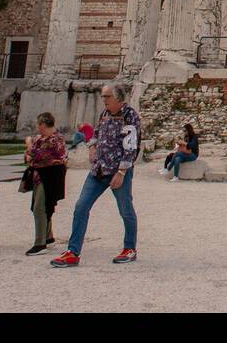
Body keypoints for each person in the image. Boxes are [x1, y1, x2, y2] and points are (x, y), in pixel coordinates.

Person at [51, 83, 142, 268]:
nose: (103, 100)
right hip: (98, 170)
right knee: (81, 207)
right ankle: (73, 251)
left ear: (118, 98)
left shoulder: (130, 116)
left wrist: (122, 172)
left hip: (117, 171)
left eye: (107, 96)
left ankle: (129, 248)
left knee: (125, 210)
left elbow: (131, 147)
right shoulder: (105, 114)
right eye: (103, 96)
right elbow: (97, 133)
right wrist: (92, 146)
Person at [24, 112, 68, 256]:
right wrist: (31, 154)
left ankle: (40, 243)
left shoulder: (56, 139)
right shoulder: (40, 138)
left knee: (40, 207)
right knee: (40, 205)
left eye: (38, 124)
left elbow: (37, 155)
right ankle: (48, 236)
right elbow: (28, 158)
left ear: (42, 124)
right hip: (39, 175)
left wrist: (29, 145)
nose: (37, 127)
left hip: (51, 176)